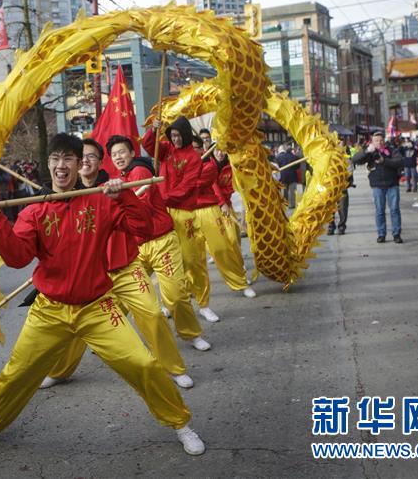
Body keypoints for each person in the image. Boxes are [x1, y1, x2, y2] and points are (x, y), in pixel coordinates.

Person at [0, 133, 205, 456]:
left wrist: (125, 198)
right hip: (49, 310)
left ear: (80, 165)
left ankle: (180, 422)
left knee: (143, 364)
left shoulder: (100, 201)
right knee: (15, 375)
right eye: (55, 159)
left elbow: (144, 230)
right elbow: (18, 258)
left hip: (97, 307)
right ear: (47, 165)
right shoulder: (34, 210)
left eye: (68, 159)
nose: (60, 165)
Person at [41, 137, 194, 390]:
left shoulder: (114, 187)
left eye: (92, 156)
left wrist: (122, 196)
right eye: (82, 156)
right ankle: (61, 371)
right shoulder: (66, 195)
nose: (86, 160)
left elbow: (141, 223)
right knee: (76, 324)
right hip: (91, 273)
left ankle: (173, 368)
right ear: (75, 163)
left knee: (153, 314)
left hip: (125, 267)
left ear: (101, 161)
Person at [142, 116, 220, 331]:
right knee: (166, 262)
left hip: (183, 213)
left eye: (178, 135)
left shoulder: (194, 158)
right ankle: (171, 302)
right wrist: (153, 131)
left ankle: (203, 303)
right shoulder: (166, 149)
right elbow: (149, 146)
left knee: (192, 260)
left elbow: (186, 188)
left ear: (186, 135)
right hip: (163, 212)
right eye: (172, 135)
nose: (175, 139)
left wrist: (162, 197)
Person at [192, 144, 256, 301]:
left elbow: (228, 186)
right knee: (191, 258)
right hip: (196, 212)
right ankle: (185, 293)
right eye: (216, 150)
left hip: (222, 208)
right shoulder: (195, 164)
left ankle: (240, 276)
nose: (220, 153)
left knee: (232, 241)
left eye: (222, 150)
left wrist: (224, 202)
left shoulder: (226, 166)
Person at [352, 132, 405, 243]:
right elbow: (355, 159)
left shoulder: (391, 150)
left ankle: (396, 234)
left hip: (392, 184)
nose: (379, 143)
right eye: (376, 141)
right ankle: (381, 234)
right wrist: (366, 151)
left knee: (394, 210)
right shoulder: (370, 152)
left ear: (384, 141)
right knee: (380, 211)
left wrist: (384, 161)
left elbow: (399, 162)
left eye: (381, 140)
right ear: (372, 142)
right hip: (377, 185)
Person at [328, 141, 354, 236]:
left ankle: (341, 226)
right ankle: (331, 226)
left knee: (343, 208)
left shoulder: (346, 158)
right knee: (330, 208)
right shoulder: (327, 156)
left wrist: (347, 179)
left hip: (342, 185)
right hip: (330, 186)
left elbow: (350, 169)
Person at [275, 144, 299, 209]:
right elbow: (298, 164)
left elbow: (277, 167)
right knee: (292, 191)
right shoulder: (292, 156)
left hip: (283, 176)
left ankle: (286, 203)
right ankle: (292, 205)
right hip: (292, 176)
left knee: (285, 190)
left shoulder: (277, 157)